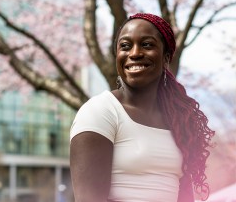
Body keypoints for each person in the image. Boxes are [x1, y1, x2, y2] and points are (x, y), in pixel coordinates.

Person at [70, 13, 215, 202]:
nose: (135, 53)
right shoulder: (100, 111)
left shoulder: (178, 120)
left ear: (166, 58)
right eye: (125, 46)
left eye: (147, 44)